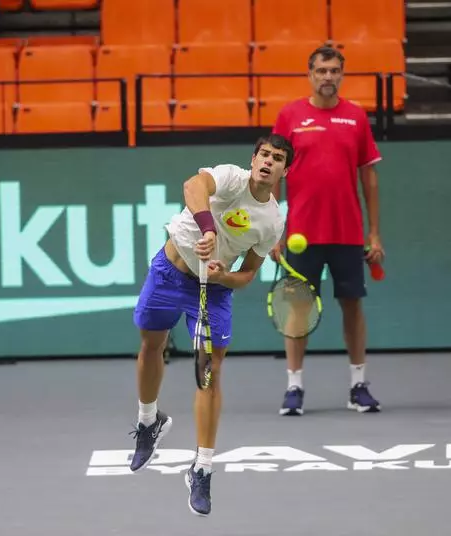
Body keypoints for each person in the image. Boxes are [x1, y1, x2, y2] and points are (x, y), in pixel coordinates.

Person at [128, 134, 292, 516]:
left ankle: (202, 466)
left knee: (208, 373)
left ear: (285, 169)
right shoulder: (231, 178)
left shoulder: (272, 221)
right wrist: (209, 228)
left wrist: (221, 277)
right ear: (253, 160)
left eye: (278, 158)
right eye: (264, 154)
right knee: (151, 345)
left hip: (211, 291)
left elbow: (248, 274)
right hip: (169, 272)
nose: (268, 162)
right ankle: (148, 422)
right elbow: (193, 185)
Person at [271, 45, 384, 416]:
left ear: (341, 75)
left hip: (348, 232)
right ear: (310, 74)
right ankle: (293, 387)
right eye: (321, 70)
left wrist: (374, 234)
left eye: (334, 70)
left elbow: (369, 177)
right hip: (302, 232)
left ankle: (358, 385)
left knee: (352, 307)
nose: (328, 77)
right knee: (299, 310)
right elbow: (273, 173)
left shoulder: (356, 117)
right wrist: (274, 229)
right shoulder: (289, 116)